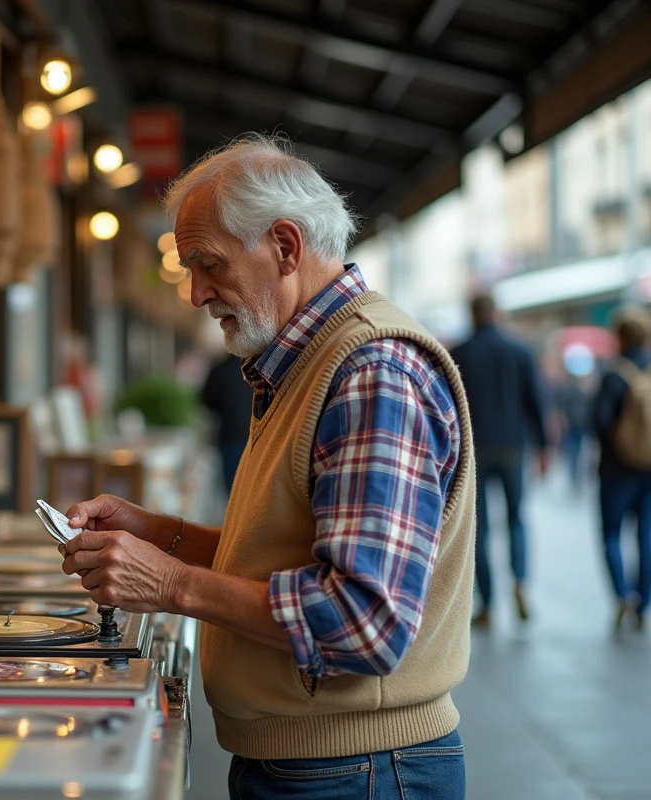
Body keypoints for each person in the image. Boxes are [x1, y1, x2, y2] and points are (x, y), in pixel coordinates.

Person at [60, 136, 474, 800]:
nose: (195, 293)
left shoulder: (371, 371)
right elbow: (290, 559)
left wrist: (171, 586)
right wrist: (157, 535)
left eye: (208, 263)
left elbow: (363, 621)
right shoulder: (305, 363)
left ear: (285, 246)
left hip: (359, 770)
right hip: (327, 762)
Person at [450, 294, 550, 626]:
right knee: (517, 519)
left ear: (472, 314)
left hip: (474, 451)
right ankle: (520, 581)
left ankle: (488, 604)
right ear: (497, 314)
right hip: (512, 447)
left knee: (479, 528)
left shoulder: (460, 353)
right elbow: (535, 401)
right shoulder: (519, 351)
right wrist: (545, 447)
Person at [593, 308, 651, 632]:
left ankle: (621, 594)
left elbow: (600, 422)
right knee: (647, 534)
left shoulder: (615, 375)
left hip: (616, 471)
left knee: (612, 534)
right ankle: (643, 601)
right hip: (649, 469)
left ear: (620, 337)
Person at [200, 352, 254, 491]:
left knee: (232, 488)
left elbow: (206, 401)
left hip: (230, 436)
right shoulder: (259, 369)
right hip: (255, 435)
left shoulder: (219, 371)